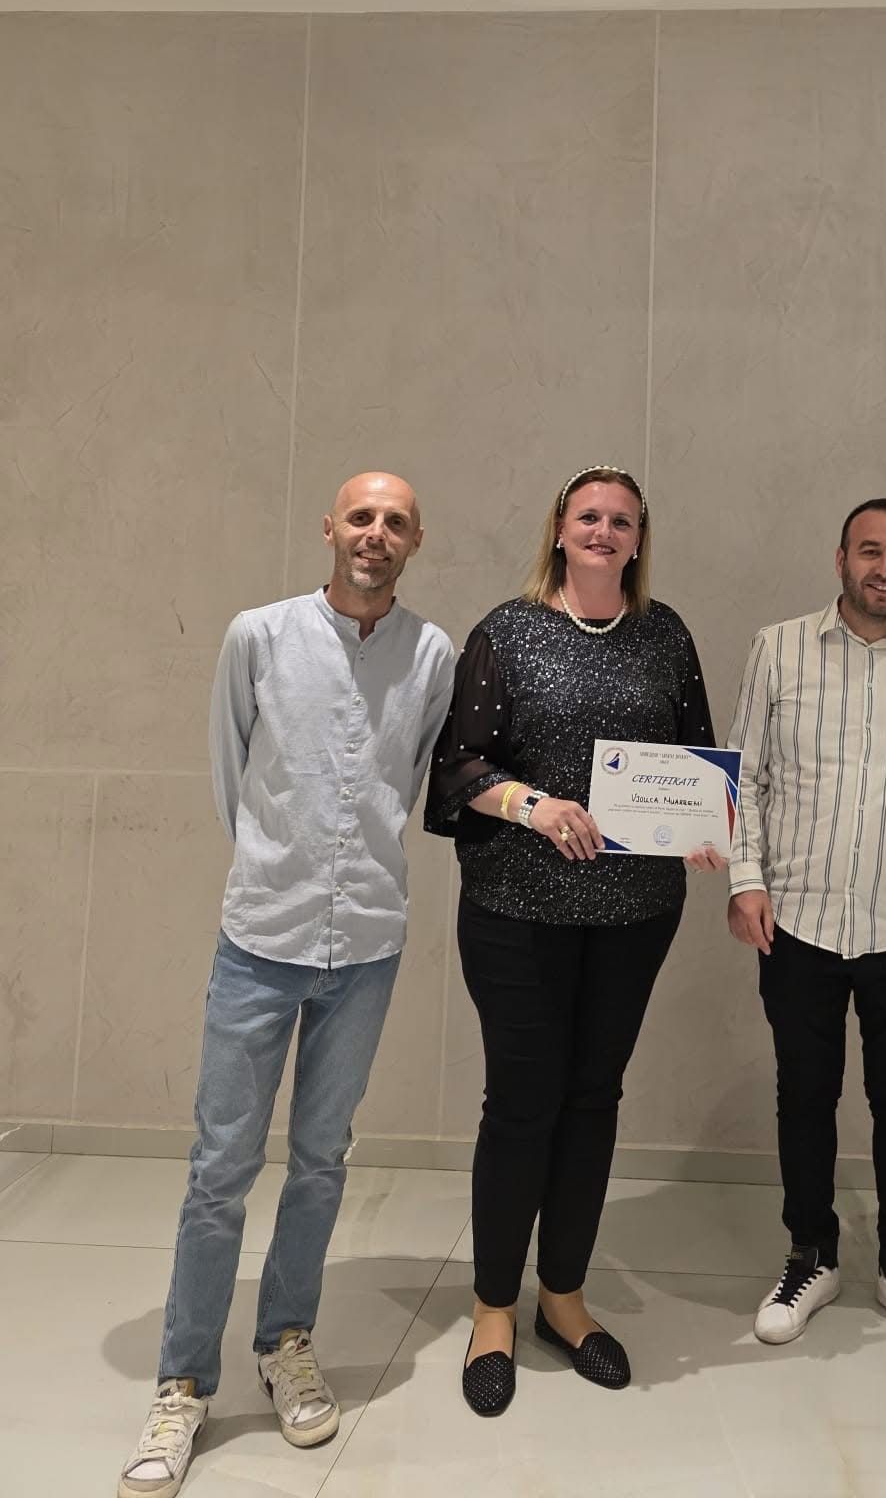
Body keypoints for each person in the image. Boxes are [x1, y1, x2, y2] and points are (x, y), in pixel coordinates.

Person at [118, 474, 455, 1498]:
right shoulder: (257, 636)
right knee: (220, 1166)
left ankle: (286, 1341)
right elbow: (233, 774)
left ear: (416, 539)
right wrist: (280, 866)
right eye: (361, 517)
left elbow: (414, 776)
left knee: (320, 1159)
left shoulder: (432, 654)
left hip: (368, 945)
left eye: (395, 522)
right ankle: (183, 1381)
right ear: (329, 528)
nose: (375, 534)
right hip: (262, 937)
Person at [425, 465, 725, 1418]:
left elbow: (698, 759)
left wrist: (707, 823)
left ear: (639, 540)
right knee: (522, 1105)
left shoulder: (665, 635)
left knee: (594, 1099)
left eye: (621, 521)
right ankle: (492, 1310)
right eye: (588, 516)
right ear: (560, 529)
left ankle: (563, 1296)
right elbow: (458, 765)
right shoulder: (506, 632)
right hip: (516, 909)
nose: (604, 530)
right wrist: (534, 805)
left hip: (635, 914)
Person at [726, 498, 886, 1358]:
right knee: (805, 1094)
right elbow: (746, 776)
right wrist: (746, 881)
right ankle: (812, 1255)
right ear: (840, 559)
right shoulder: (777, 649)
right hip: (796, 919)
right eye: (870, 551)